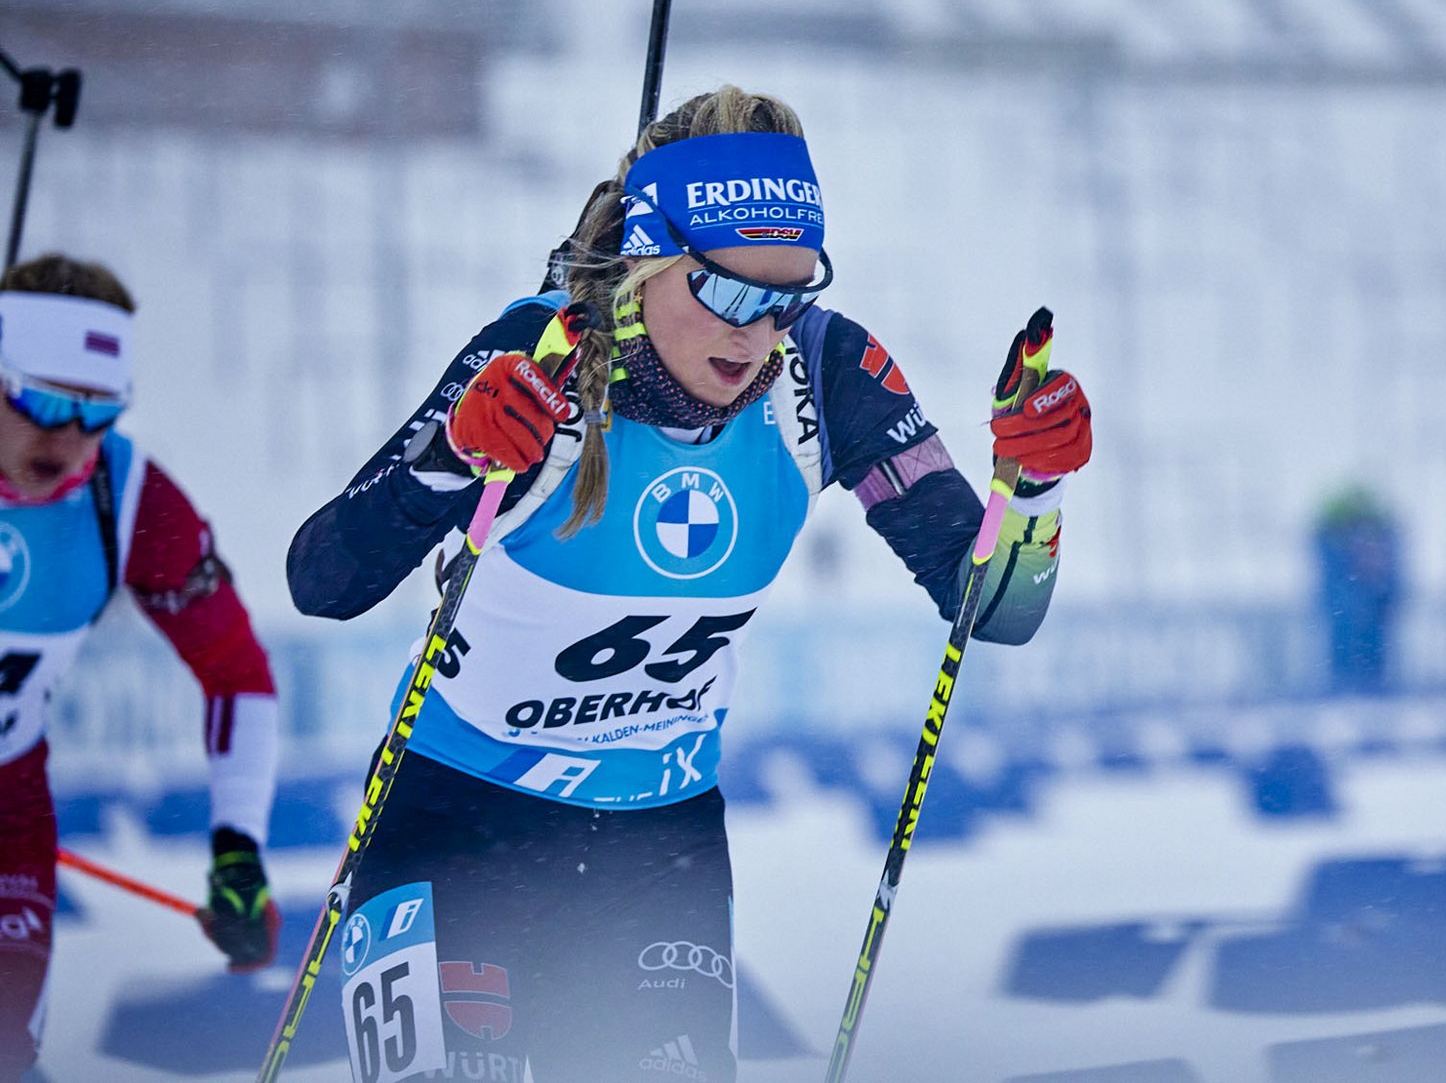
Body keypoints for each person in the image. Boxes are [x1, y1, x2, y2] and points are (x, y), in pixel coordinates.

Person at [286, 86, 1092, 1081]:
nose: (756, 335)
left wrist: (1034, 490)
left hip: (658, 852)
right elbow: (323, 578)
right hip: (456, 828)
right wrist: (448, 459)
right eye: (727, 292)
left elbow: (991, 610)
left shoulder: (827, 371)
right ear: (645, 260)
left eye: (785, 298)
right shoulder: (536, 358)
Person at [0, 254, 280, 1082]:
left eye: (97, 413)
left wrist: (237, 850)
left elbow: (236, 671)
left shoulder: (126, 498)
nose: (67, 441)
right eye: (44, 402)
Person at [1313, 485, 1402, 695]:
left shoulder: (1353, 588)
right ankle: (1355, 683)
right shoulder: (1346, 588)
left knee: (1360, 638)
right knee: (1352, 636)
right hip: (1357, 596)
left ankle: (1357, 684)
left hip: (1362, 596)